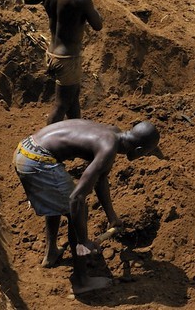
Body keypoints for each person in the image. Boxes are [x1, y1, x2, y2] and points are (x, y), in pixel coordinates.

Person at [12, 119, 163, 292]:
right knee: (78, 211)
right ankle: (81, 281)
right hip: (37, 161)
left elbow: (101, 179)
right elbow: (76, 198)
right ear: (139, 150)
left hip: (25, 149)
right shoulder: (108, 148)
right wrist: (83, 241)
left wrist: (112, 216)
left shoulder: (113, 133)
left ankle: (51, 252)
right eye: (145, 154)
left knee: (56, 195)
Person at [24, 0, 102, 125]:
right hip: (68, 60)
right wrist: (90, 2)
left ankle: (77, 131)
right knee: (61, 106)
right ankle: (45, 140)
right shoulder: (81, 1)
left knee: (72, 99)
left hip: (52, 55)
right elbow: (98, 25)